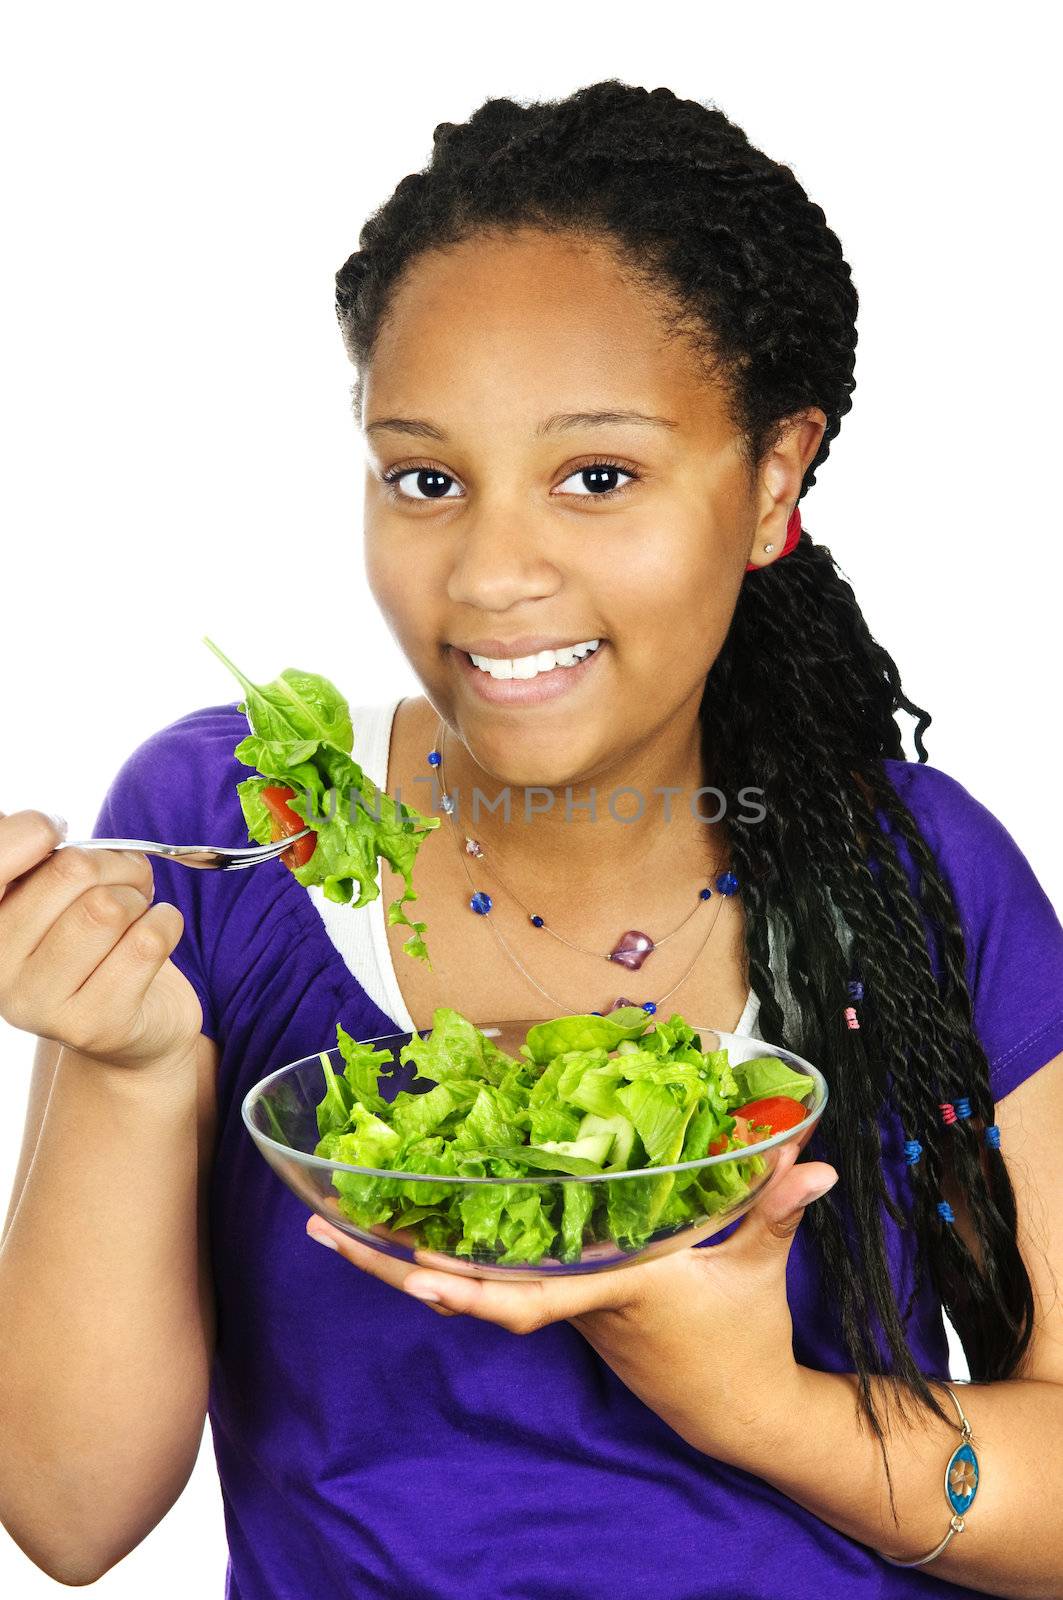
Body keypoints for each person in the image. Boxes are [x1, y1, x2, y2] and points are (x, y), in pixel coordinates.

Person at [1, 78, 1062, 1600]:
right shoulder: (223, 830)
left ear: (771, 484)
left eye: (599, 477)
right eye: (425, 479)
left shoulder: (924, 876)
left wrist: (757, 1407)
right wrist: (132, 1067)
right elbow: (70, 1516)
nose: (492, 574)